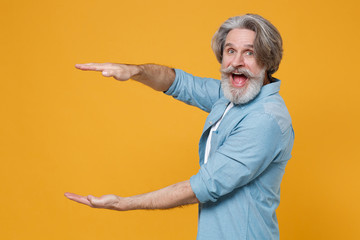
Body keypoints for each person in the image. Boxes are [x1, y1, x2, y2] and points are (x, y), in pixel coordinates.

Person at [65, 14, 294, 240]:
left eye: (249, 53)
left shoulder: (265, 120)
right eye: (230, 51)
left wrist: (124, 203)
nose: (236, 62)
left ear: (267, 59)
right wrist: (135, 71)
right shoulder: (231, 96)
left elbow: (204, 186)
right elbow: (179, 83)